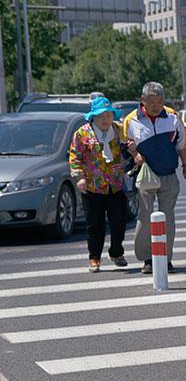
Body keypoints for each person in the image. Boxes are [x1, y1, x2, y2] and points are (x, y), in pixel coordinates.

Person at [125, 82, 186, 274]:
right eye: (151, 101)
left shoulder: (173, 117)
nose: (156, 105)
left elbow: (182, 145)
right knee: (145, 216)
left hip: (169, 175)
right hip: (146, 174)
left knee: (168, 218)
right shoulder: (131, 120)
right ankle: (147, 258)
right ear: (143, 101)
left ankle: (166, 258)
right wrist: (134, 154)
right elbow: (126, 144)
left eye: (160, 101)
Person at [69, 96, 129, 273]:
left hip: (116, 184)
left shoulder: (118, 130)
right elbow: (75, 157)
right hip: (92, 186)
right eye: (101, 116)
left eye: (108, 115)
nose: (105, 119)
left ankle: (116, 253)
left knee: (119, 222)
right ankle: (94, 257)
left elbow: (130, 147)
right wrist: (79, 177)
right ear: (93, 117)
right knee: (95, 225)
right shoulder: (83, 133)